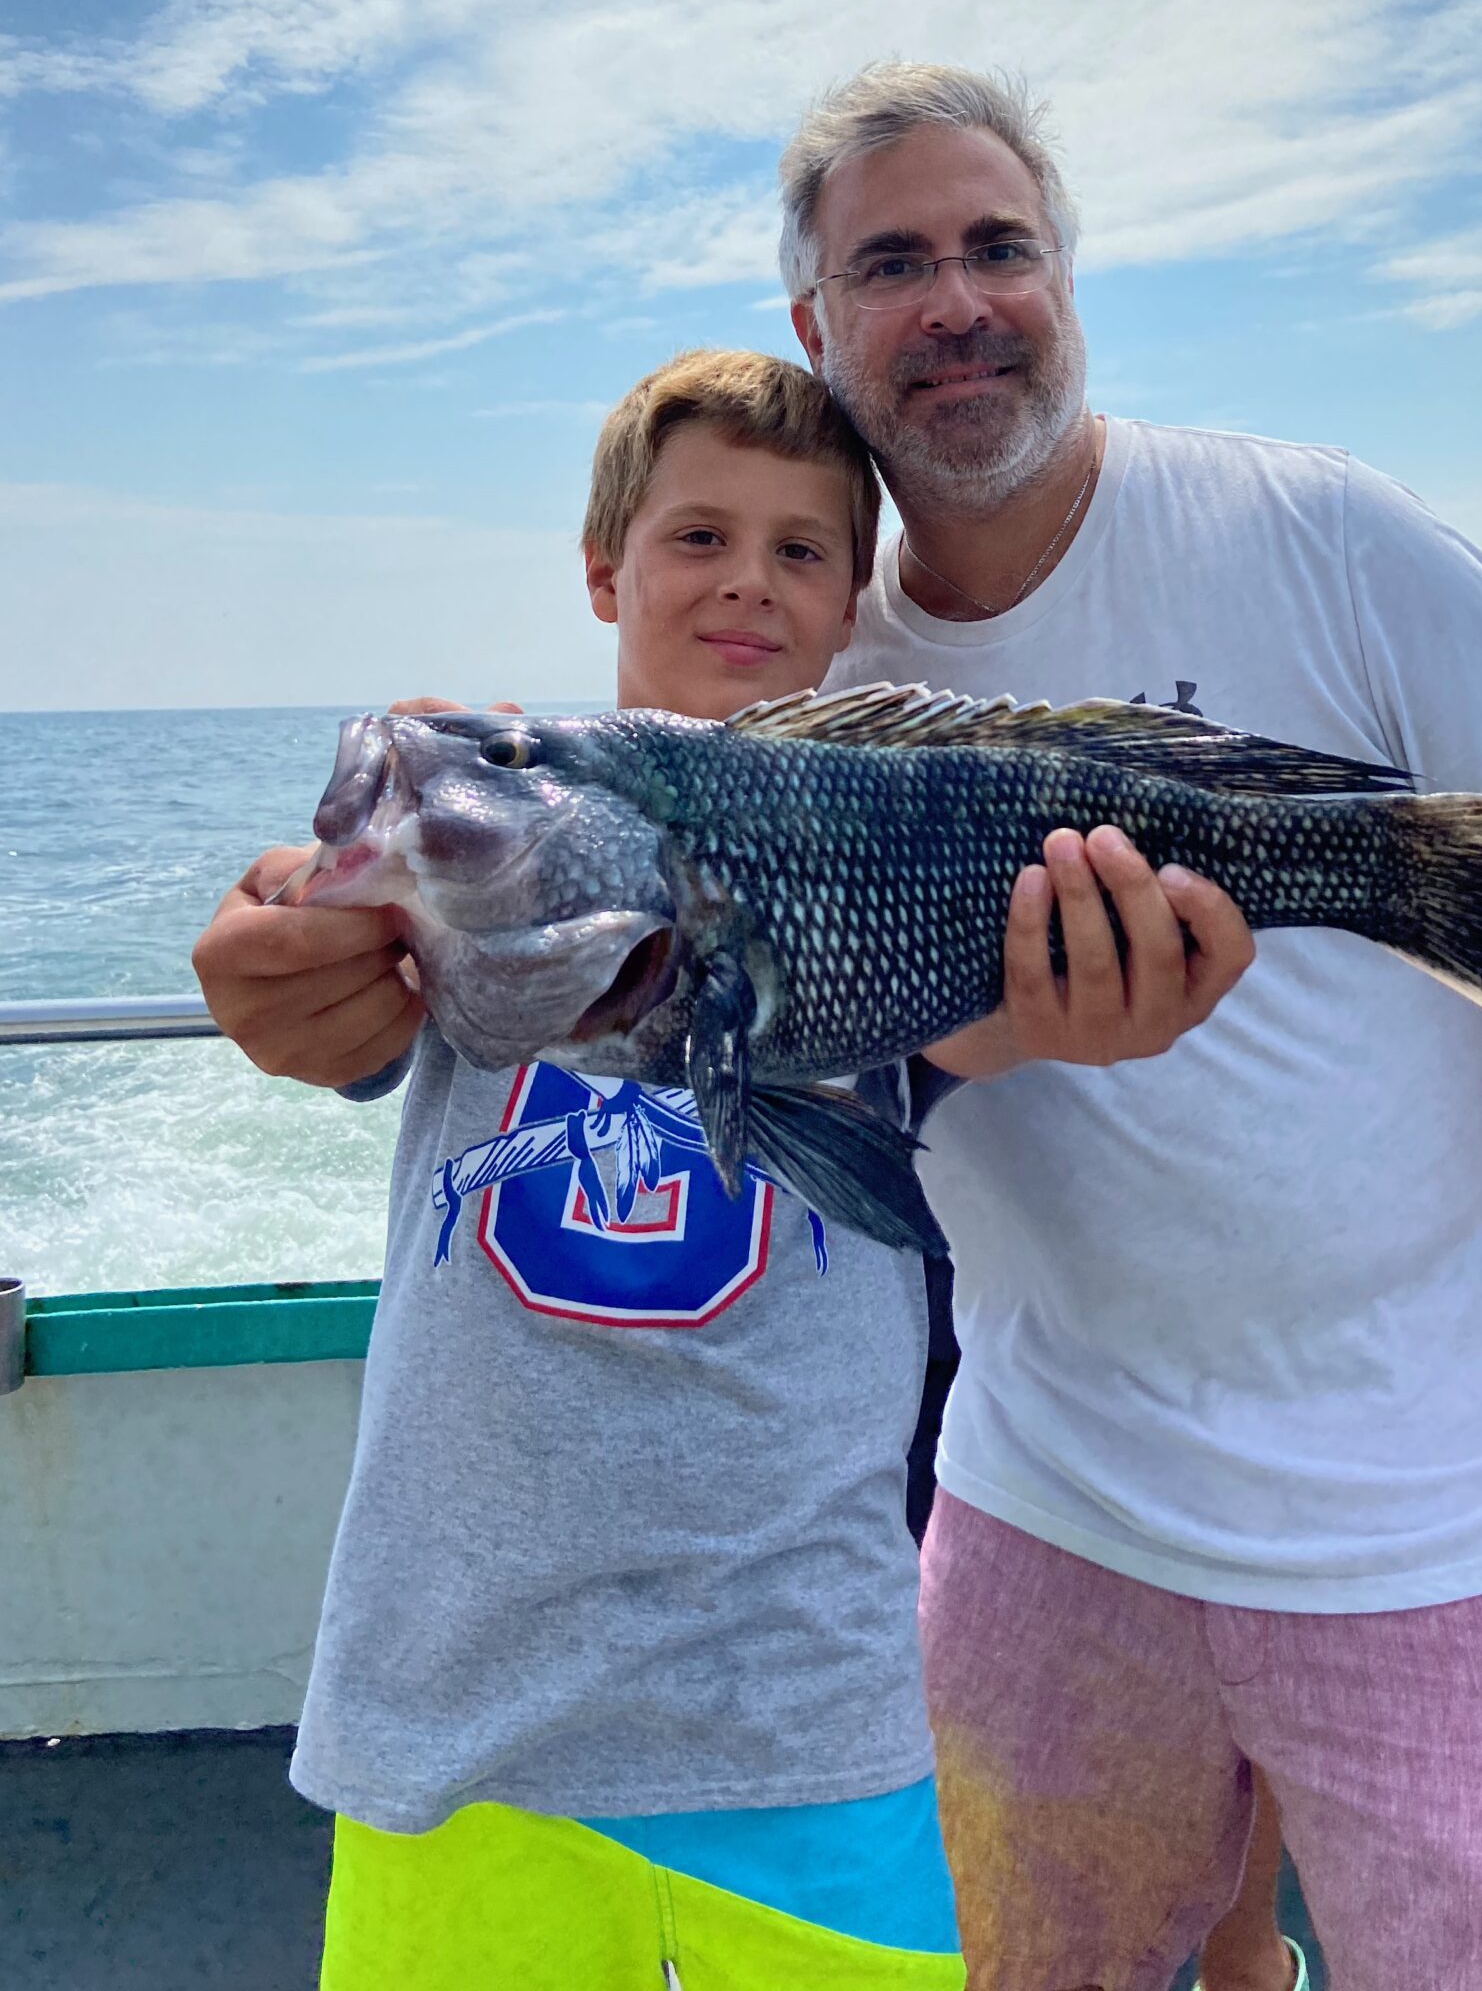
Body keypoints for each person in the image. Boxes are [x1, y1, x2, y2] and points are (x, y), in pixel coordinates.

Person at [782, 62, 1482, 1991]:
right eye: (895, 262)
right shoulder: (816, 671)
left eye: (1001, 247)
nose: (958, 303)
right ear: (816, 324)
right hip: (1047, 1509)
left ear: (1068, 283)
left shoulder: (1331, 536)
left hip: (1434, 1527)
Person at [191, 348, 1252, 1991]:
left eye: (802, 550)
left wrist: (1086, 998)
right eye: (697, 538)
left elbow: (986, 1044)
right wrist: (288, 955)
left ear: (853, 611)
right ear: (606, 567)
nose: (747, 579)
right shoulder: (495, 818)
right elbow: (321, 982)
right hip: (455, 1721)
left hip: (815, 1716)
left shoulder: (899, 843)